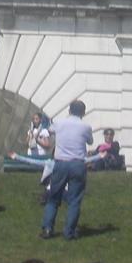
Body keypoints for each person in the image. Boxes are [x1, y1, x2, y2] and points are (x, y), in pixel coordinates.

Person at [41, 99, 93, 241]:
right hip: (78, 164)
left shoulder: (60, 123)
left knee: (54, 198)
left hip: (61, 163)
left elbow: (47, 131)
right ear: (83, 113)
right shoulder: (85, 126)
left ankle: (47, 229)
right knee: (74, 200)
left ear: (69, 111)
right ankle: (69, 233)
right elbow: (90, 141)